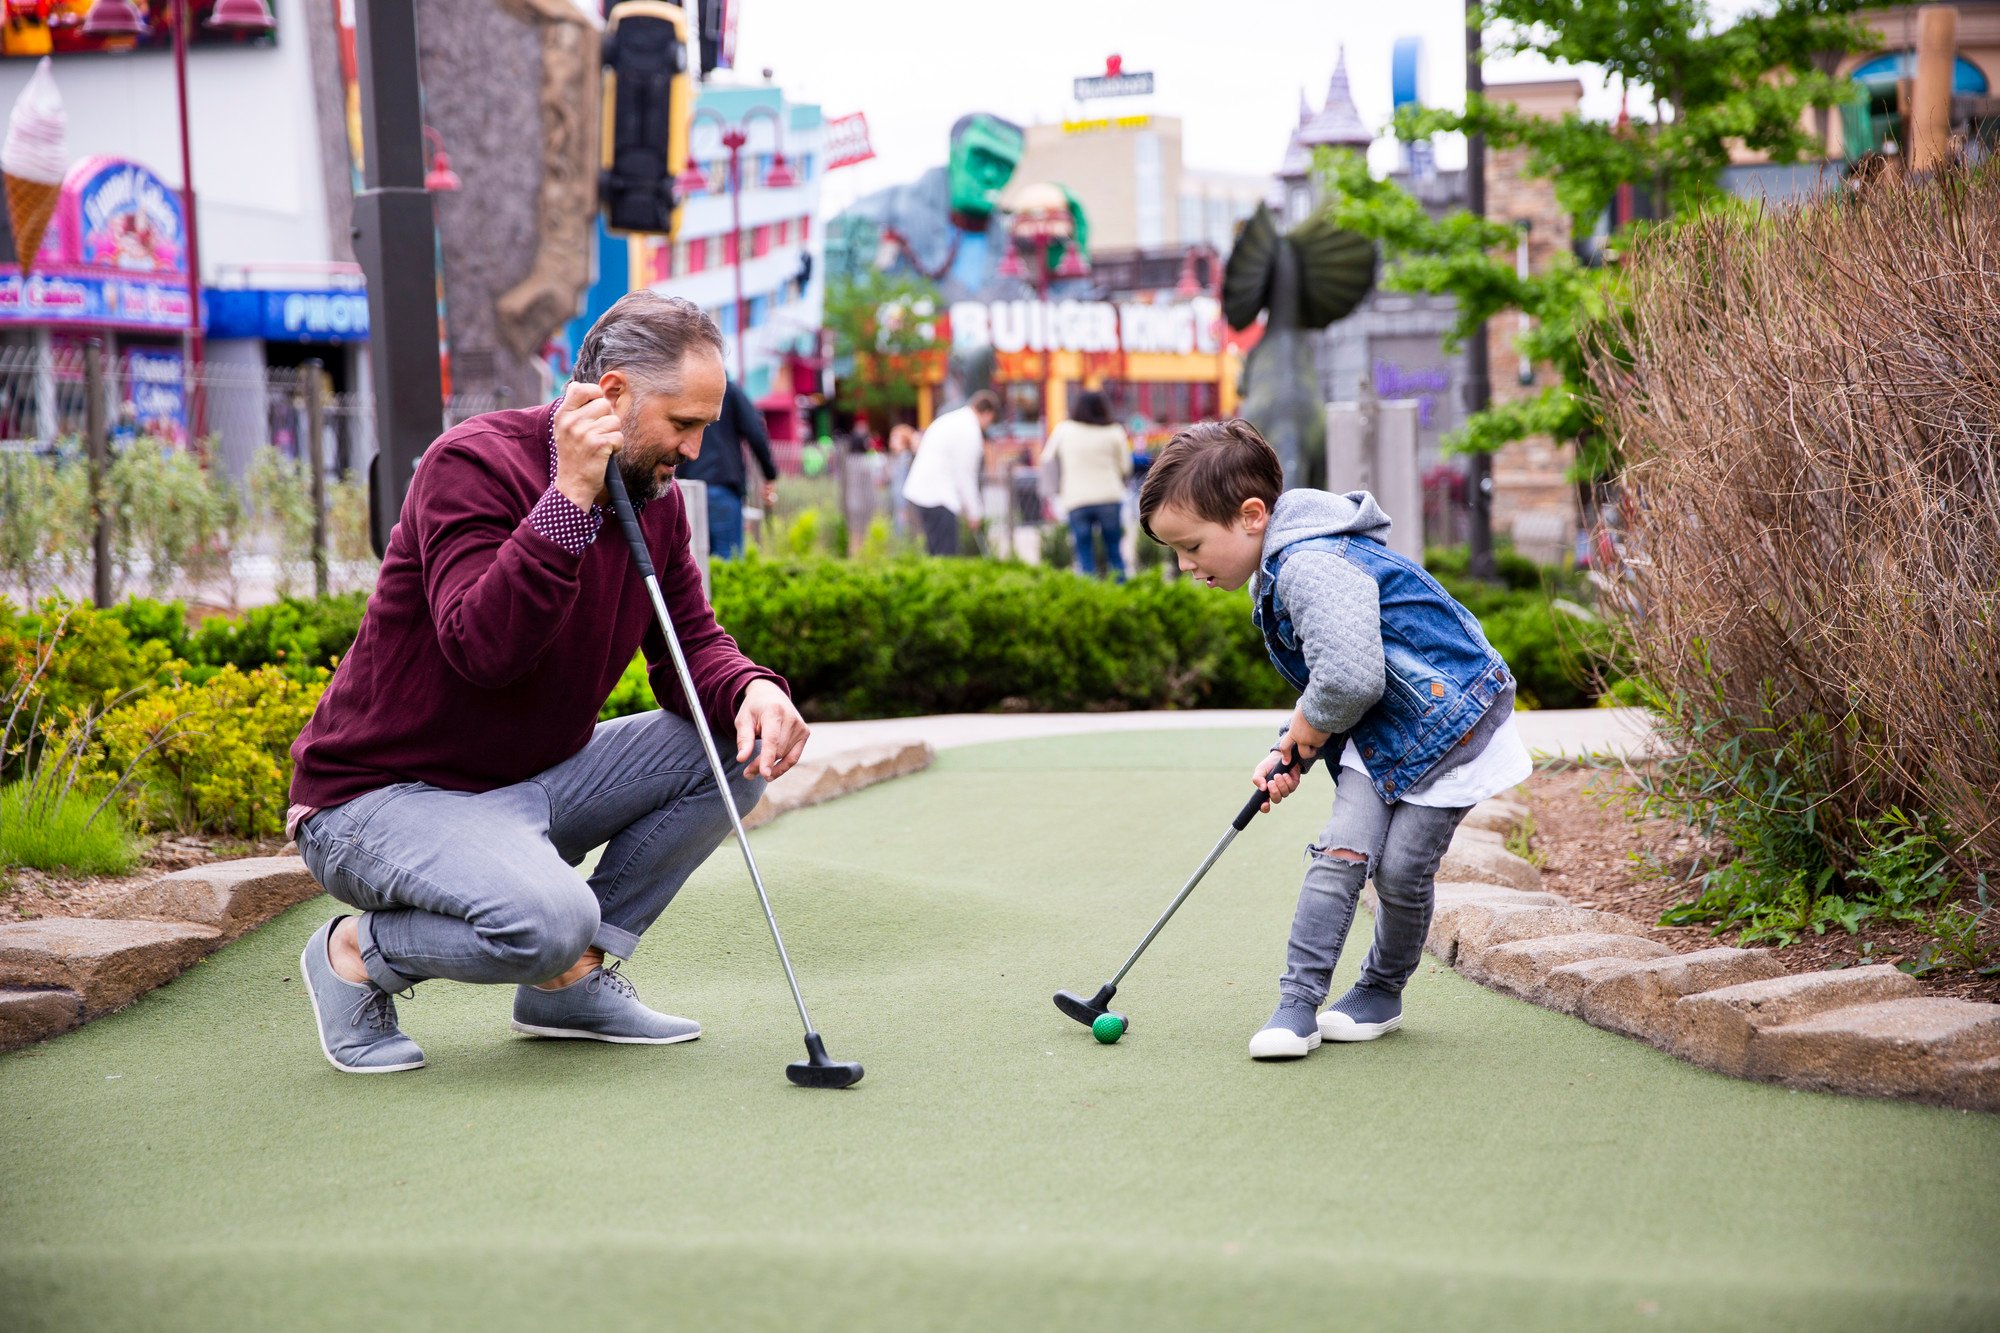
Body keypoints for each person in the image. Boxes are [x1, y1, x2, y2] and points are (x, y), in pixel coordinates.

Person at [285, 291, 810, 1074]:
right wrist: (568, 498)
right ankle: (355, 952)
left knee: (728, 744)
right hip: (376, 799)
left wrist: (749, 690)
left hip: (522, 785)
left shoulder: (653, 497)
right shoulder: (471, 462)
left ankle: (571, 983)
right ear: (615, 394)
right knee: (549, 918)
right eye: (684, 424)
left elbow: (688, 642)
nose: (697, 450)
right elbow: (482, 649)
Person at [1137, 419, 1529, 1062]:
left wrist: (1309, 731)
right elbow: (1336, 676)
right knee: (1340, 854)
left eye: (1191, 546)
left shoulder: (1309, 564)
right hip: (1383, 733)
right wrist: (1290, 745)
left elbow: (1348, 679)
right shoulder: (1284, 563)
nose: (1185, 566)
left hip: (1452, 724)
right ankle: (1297, 1007)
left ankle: (1379, 991)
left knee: (1401, 872)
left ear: (1252, 516)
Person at [674, 376, 778, 559]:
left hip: (687, 488)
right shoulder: (729, 391)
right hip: (722, 486)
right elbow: (756, 432)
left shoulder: (684, 389)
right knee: (728, 558)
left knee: (691, 560)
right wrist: (769, 474)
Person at [1040, 390, 1133, 579]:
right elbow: (1126, 466)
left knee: (1083, 553)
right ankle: (1123, 593)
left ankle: (1089, 595)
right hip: (1109, 496)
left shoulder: (1064, 430)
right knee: (1114, 550)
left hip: (1076, 498)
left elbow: (1047, 458)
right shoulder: (1114, 430)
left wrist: (1056, 490)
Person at [901, 389, 997, 556]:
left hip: (923, 493)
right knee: (945, 555)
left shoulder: (952, 420)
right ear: (987, 414)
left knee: (935, 553)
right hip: (938, 496)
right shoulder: (969, 431)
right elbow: (965, 475)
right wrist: (974, 512)